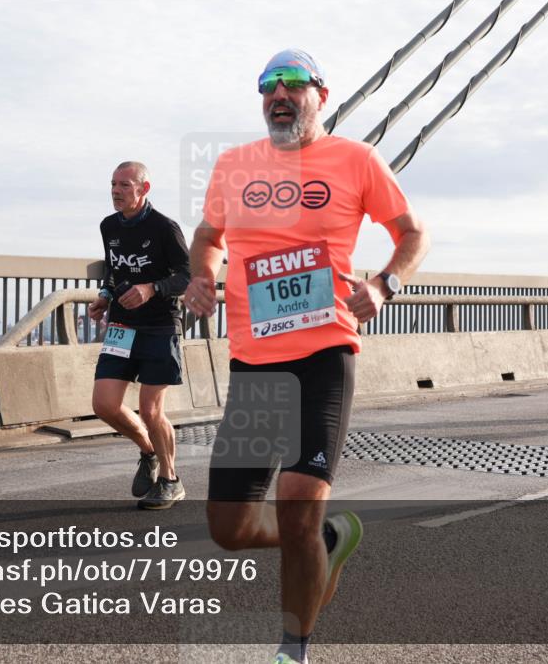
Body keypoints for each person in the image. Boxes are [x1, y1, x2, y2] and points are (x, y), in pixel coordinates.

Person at [184, 50, 430, 664]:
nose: (280, 95)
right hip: (254, 365)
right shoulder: (234, 165)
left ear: (321, 93)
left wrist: (382, 285)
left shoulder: (356, 159)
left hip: (323, 353)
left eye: (294, 85)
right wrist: (199, 279)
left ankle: (292, 650)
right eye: (268, 86)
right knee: (230, 529)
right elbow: (208, 239)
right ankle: (324, 539)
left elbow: (413, 233)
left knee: (296, 500)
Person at [88, 161, 191, 508]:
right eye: (113, 184)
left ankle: (170, 478)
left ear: (144, 189)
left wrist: (151, 288)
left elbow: (186, 276)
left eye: (125, 185)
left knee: (150, 410)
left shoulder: (165, 228)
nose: (116, 191)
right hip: (121, 326)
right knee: (104, 404)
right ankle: (148, 451)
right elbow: (114, 270)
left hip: (159, 327)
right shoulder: (108, 226)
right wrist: (105, 296)